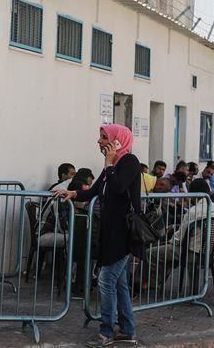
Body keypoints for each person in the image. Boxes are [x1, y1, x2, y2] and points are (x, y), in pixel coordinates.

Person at [54, 124, 141, 346]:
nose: (99, 141)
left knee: (106, 280)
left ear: (118, 141)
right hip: (109, 231)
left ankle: (106, 332)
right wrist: (73, 193)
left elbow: (119, 187)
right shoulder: (113, 164)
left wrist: (109, 163)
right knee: (119, 283)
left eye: (104, 137)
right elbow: (94, 191)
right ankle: (128, 330)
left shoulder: (129, 162)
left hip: (122, 233)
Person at [143, 179, 214, 287]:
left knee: (151, 253)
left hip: (191, 253)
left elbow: (179, 239)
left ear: (193, 194)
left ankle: (148, 284)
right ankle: (156, 282)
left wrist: (170, 240)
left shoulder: (193, 211)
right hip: (213, 253)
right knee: (167, 252)